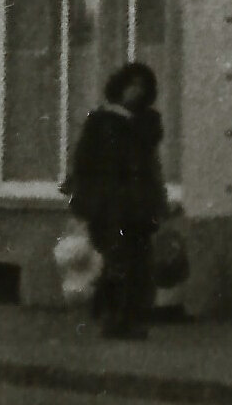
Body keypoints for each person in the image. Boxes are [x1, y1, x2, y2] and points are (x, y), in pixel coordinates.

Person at [64, 60, 168, 341]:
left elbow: (152, 165)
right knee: (116, 260)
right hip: (109, 205)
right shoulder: (100, 120)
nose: (136, 92)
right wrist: (80, 199)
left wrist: (160, 203)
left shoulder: (147, 122)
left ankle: (131, 318)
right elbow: (84, 161)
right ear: (120, 87)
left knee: (139, 264)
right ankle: (114, 318)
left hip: (139, 205)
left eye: (142, 88)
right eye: (132, 85)